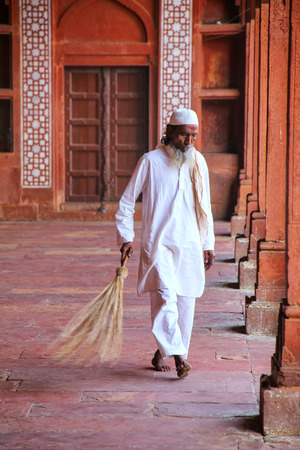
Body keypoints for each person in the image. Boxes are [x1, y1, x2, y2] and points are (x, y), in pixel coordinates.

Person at [115, 108, 215, 378]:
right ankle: (180, 357)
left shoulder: (198, 162)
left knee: (185, 301)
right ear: (169, 131)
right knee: (165, 298)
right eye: (184, 134)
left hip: (190, 243)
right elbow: (126, 201)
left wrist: (208, 243)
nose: (189, 141)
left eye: (193, 136)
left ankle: (164, 351)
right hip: (158, 244)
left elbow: (204, 206)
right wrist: (126, 236)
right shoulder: (150, 161)